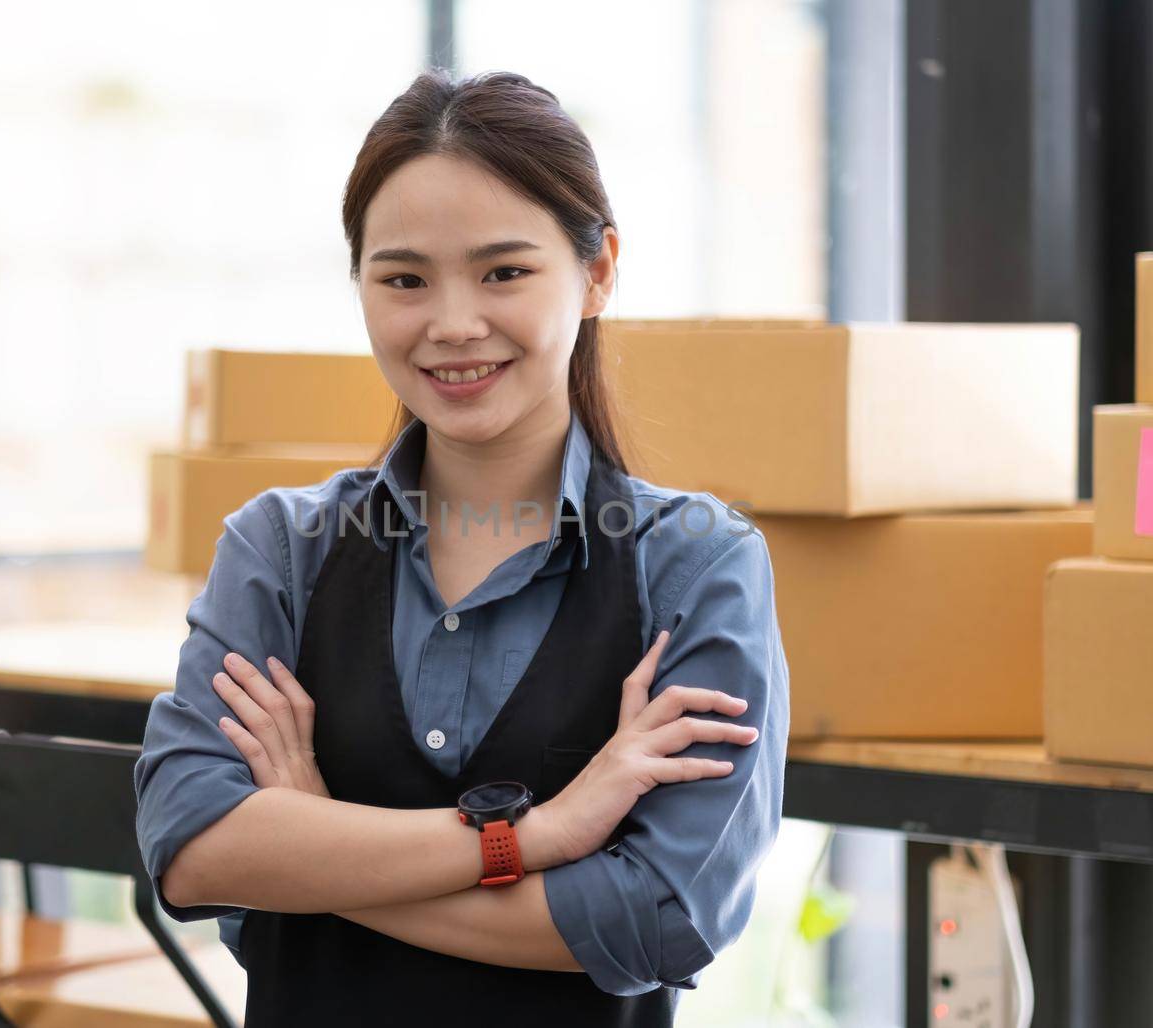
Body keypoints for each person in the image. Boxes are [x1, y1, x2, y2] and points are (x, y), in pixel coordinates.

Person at [134, 68, 790, 1027]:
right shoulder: (282, 548)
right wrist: (541, 836)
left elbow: (659, 918)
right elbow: (189, 847)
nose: (451, 324)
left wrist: (314, 847)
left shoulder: (692, 563)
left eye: (504, 273)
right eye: (403, 278)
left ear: (598, 271)